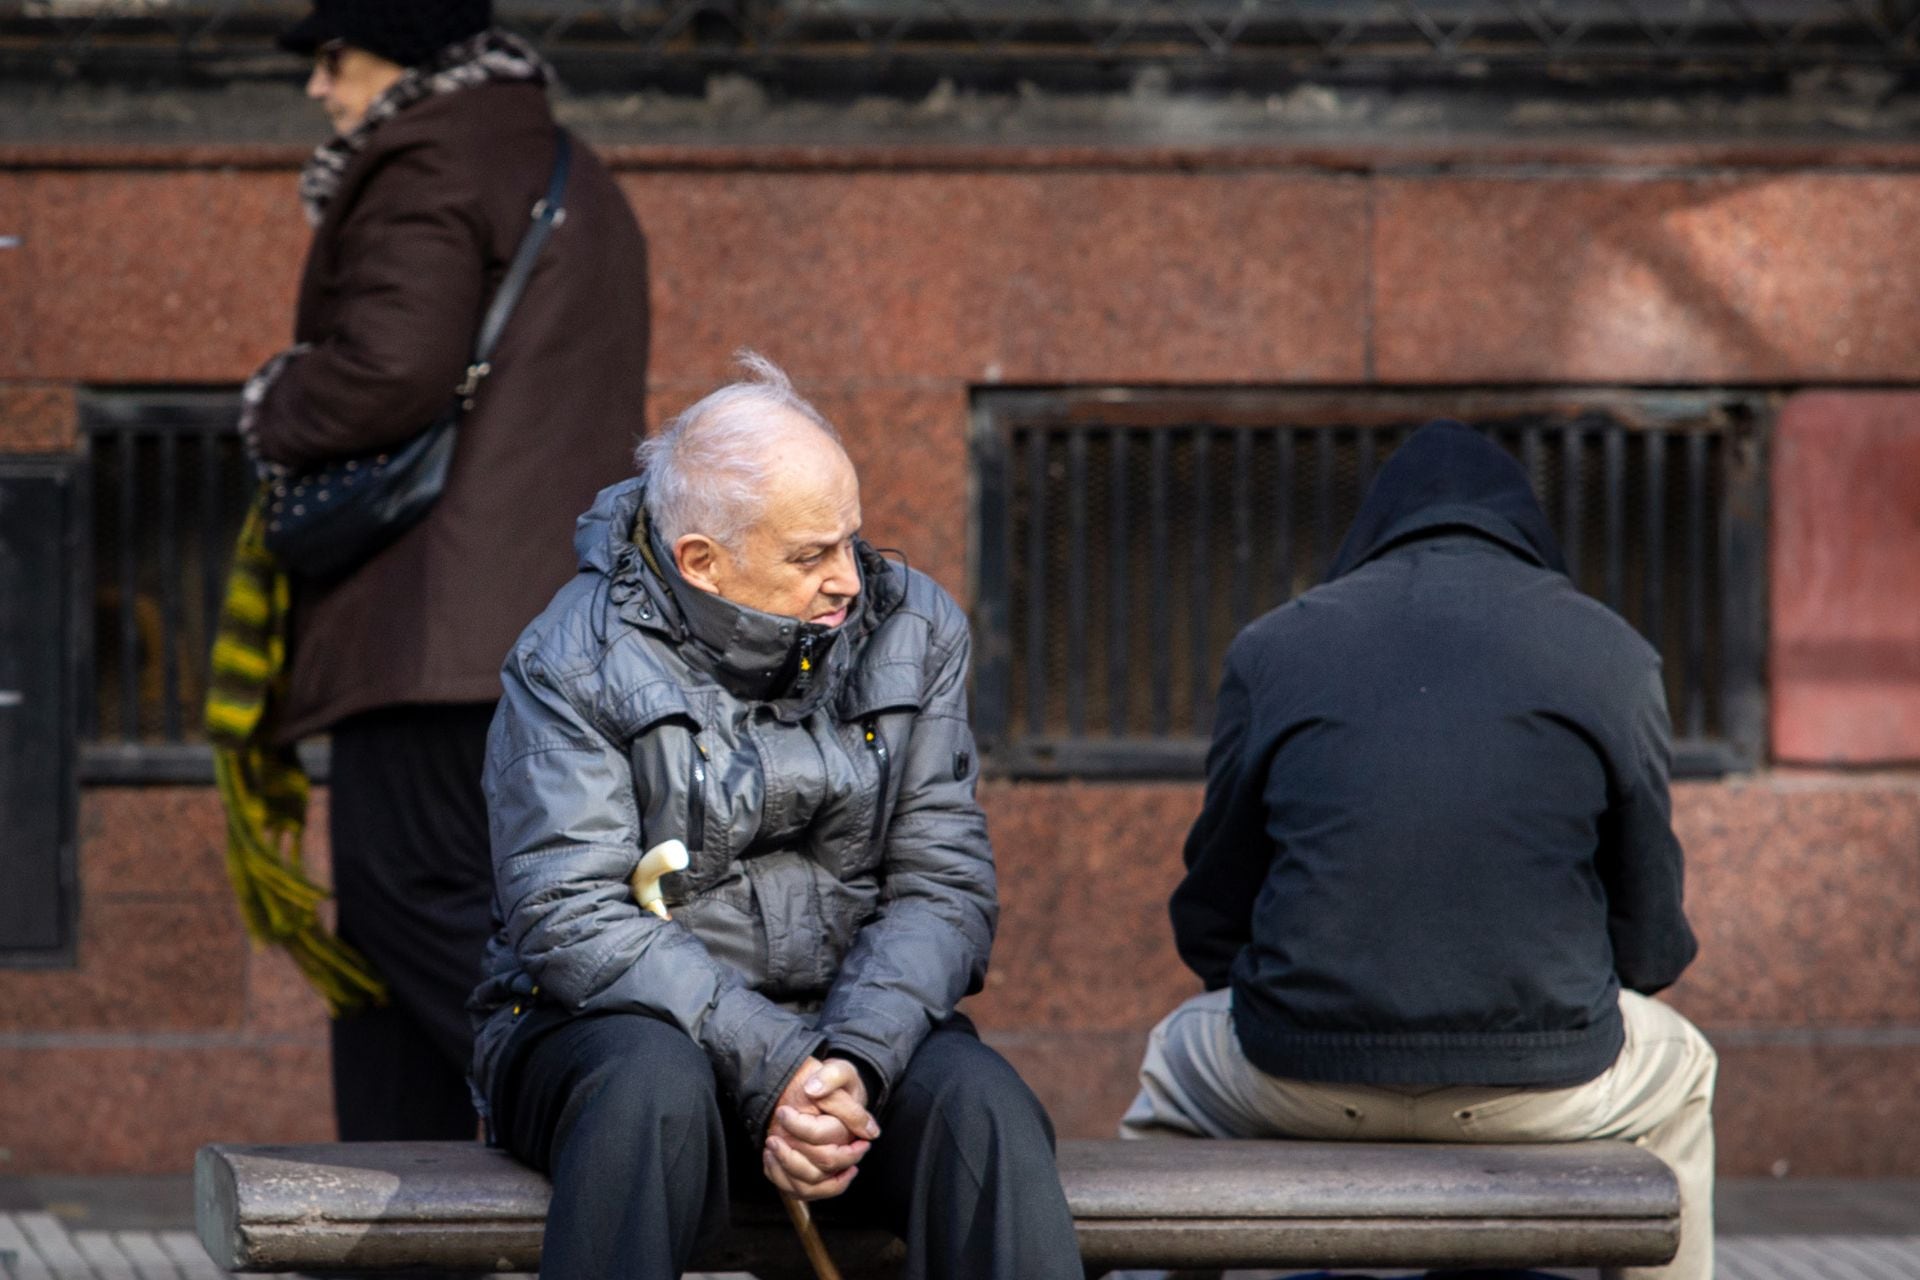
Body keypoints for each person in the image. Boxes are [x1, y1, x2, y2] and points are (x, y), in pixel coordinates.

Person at [469, 354, 1083, 1280]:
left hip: (850, 1034)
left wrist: (851, 1067)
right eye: (809, 556)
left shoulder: (914, 627)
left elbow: (943, 884)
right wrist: (778, 1066)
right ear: (702, 563)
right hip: (607, 1031)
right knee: (650, 1094)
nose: (848, 579)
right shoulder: (569, 657)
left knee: (983, 1109)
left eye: (851, 539)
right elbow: (568, 916)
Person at [1123, 421, 1716, 1280]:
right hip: (1543, 1083)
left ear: (1374, 528)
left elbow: (1211, 911)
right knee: (1687, 1068)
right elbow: (1655, 937)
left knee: (1171, 1062)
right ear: (1526, 529)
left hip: (1301, 1074)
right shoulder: (1613, 654)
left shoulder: (1275, 647)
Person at [243, 0, 649, 1141]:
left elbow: (390, 371)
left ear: (406, 51)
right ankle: (391, 1235)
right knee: (395, 944)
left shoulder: (427, 159)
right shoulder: (574, 170)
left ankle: (615, 1105)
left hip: (434, 634)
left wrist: (271, 400)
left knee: (412, 901)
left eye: (333, 56)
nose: (319, 88)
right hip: (548, 624)